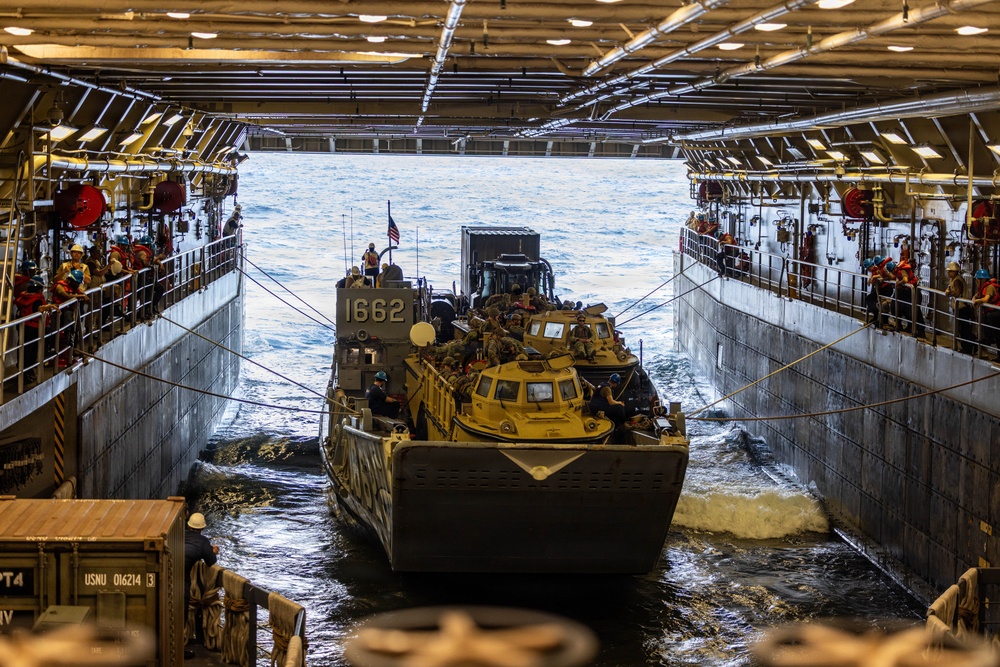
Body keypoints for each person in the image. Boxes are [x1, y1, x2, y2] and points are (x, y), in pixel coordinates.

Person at [183, 512, 219, 660]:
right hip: (181, 580)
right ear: (202, 528)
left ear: (188, 526)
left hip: (167, 573)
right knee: (181, 613)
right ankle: (177, 649)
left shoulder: (179, 535)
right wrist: (212, 551)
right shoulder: (203, 541)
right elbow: (211, 561)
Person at [15, 276, 55, 383]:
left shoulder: (24, 297)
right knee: (31, 353)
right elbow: (39, 308)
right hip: (34, 329)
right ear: (39, 289)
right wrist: (49, 306)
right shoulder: (37, 299)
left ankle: (23, 373)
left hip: (23, 328)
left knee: (23, 351)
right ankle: (27, 374)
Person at [945, 262, 974, 354]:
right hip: (959, 307)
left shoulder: (957, 280)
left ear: (954, 272)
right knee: (962, 328)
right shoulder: (953, 279)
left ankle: (968, 347)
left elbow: (957, 292)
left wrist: (949, 293)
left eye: (950, 271)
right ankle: (966, 347)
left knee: (964, 328)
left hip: (962, 307)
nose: (948, 273)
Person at [892, 258, 925, 337]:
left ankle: (920, 330)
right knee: (901, 307)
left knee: (915, 311)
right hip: (907, 291)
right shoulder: (898, 271)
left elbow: (905, 280)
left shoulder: (902, 270)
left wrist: (898, 283)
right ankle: (905, 326)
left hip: (913, 291)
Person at [972, 269, 1000, 360]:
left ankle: (989, 338)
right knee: (997, 334)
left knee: (997, 334)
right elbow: (976, 296)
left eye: (978, 279)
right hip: (992, 314)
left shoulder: (990, 287)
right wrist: (974, 299)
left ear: (983, 279)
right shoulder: (983, 288)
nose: (976, 281)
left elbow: (986, 299)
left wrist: (977, 301)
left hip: (996, 313)